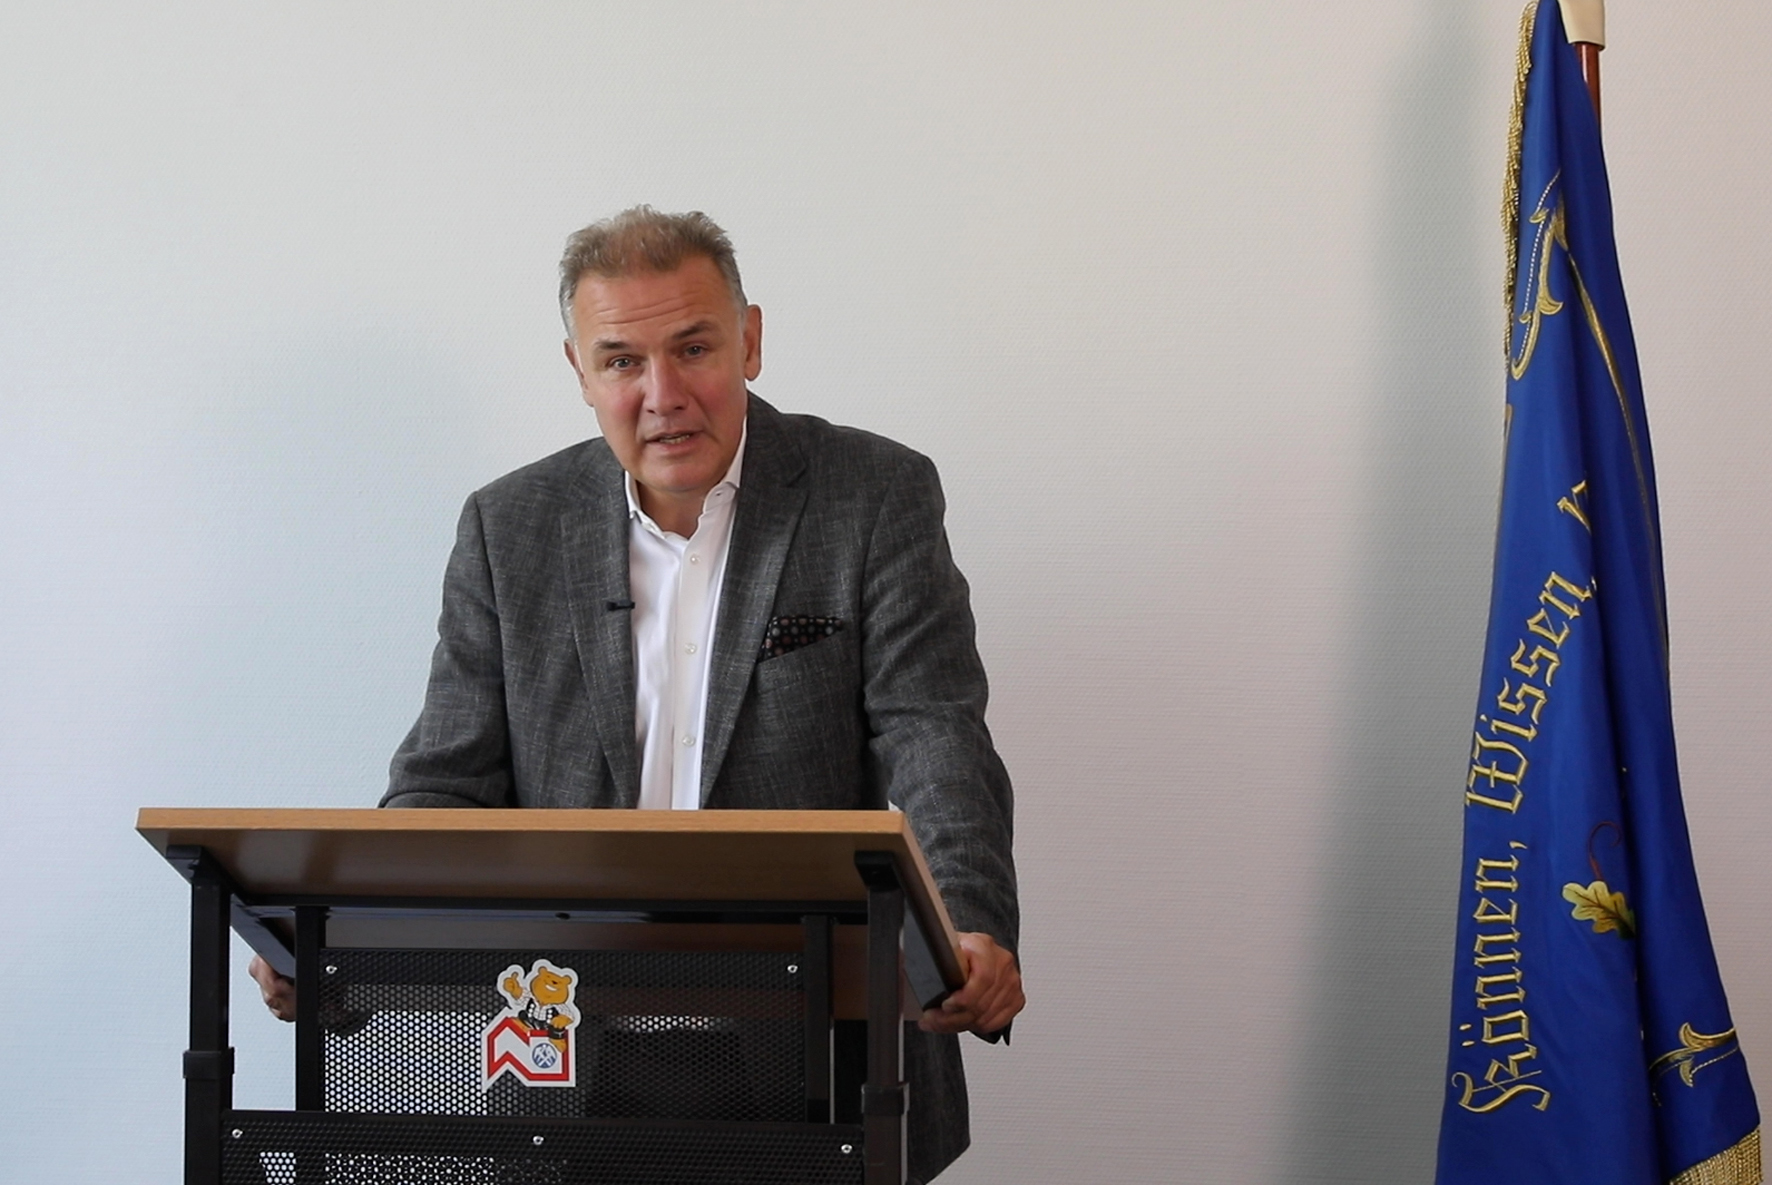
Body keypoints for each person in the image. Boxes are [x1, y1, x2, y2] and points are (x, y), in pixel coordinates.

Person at [249, 206, 1021, 1182]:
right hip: (569, 1050)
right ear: (579, 371)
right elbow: (445, 784)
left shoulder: (871, 496)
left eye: (693, 348)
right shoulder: (508, 528)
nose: (663, 396)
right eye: (621, 361)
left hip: (819, 1050)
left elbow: (933, 737)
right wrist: (349, 947)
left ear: (749, 340)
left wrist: (965, 926)